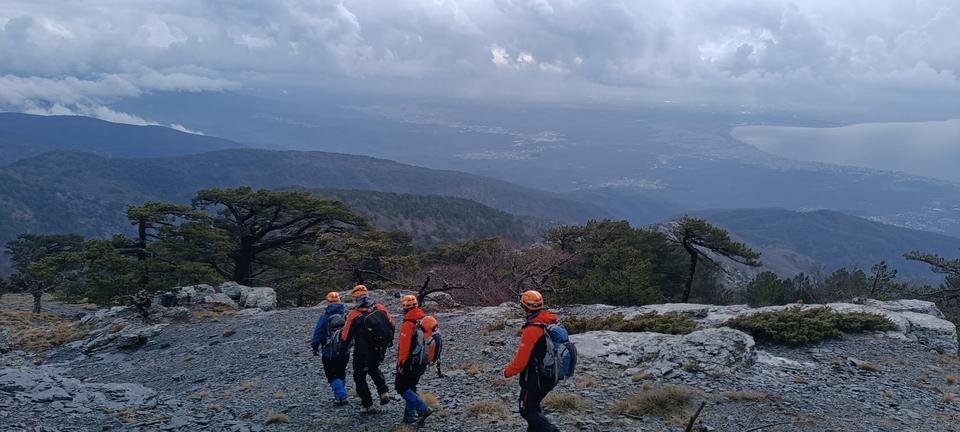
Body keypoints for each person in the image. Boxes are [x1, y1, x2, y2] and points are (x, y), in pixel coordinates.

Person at [503, 290, 561, 432]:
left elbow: (521, 361)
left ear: (524, 306)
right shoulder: (549, 321)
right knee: (533, 406)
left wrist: (507, 372)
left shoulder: (533, 329)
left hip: (536, 378)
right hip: (551, 374)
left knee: (527, 410)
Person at [340, 284, 396, 413]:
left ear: (355, 298)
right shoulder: (380, 307)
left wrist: (342, 350)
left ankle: (368, 405)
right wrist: (389, 341)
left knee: (359, 376)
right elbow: (392, 324)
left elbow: (345, 336)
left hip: (362, 352)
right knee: (374, 368)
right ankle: (383, 392)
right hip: (380, 348)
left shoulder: (354, 314)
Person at [395, 295, 434, 425]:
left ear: (404, 307)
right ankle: (410, 416)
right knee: (411, 386)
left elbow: (404, 347)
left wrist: (401, 364)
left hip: (410, 362)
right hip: (422, 361)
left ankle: (423, 409)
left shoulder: (408, 323)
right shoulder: (423, 319)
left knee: (400, 387)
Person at [310, 291, 350, 405]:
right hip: (344, 350)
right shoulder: (346, 314)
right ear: (339, 301)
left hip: (329, 351)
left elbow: (317, 333)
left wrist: (315, 347)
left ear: (328, 302)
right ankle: (341, 397)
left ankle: (341, 395)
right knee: (341, 372)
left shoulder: (325, 316)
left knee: (331, 375)